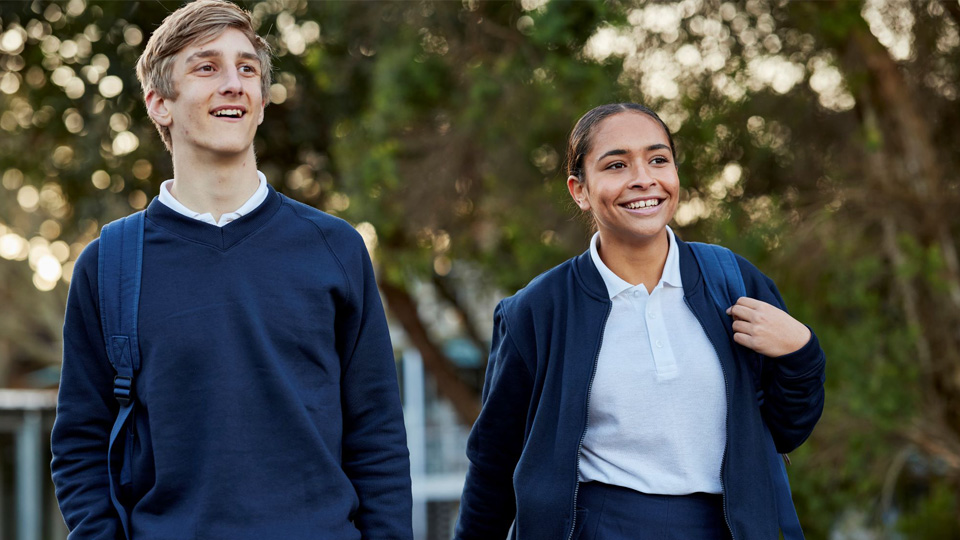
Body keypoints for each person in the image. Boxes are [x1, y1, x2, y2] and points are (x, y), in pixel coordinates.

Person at [50, 2, 412, 539]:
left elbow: (377, 436)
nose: (233, 83)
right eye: (206, 67)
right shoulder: (109, 265)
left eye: (247, 69)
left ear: (263, 102)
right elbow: (80, 444)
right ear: (159, 104)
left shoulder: (334, 248)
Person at [454, 103, 825, 540]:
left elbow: (785, 429)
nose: (643, 178)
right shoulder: (537, 310)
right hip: (598, 528)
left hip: (729, 527)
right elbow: (494, 464)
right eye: (616, 164)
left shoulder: (733, 281)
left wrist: (803, 353)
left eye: (658, 159)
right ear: (580, 190)